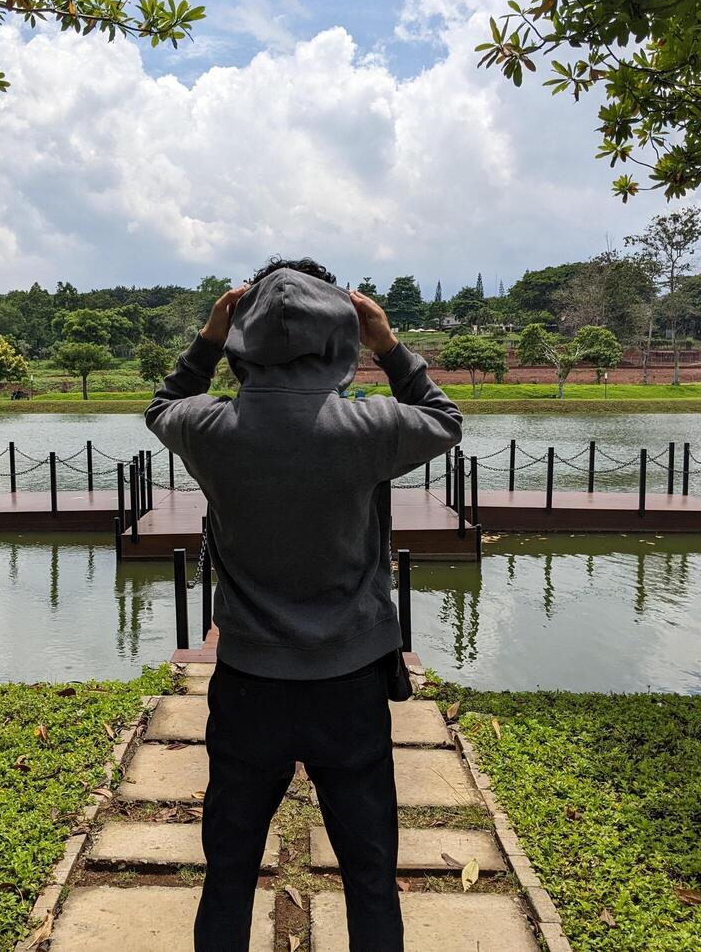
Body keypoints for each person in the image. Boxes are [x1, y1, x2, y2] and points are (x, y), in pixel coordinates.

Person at [145, 257, 463, 952]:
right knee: (369, 874)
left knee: (229, 870)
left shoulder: (208, 429)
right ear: (340, 335)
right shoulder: (369, 428)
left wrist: (205, 337)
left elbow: (161, 405)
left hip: (249, 684)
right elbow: (443, 418)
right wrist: (387, 343)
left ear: (241, 338)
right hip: (348, 685)